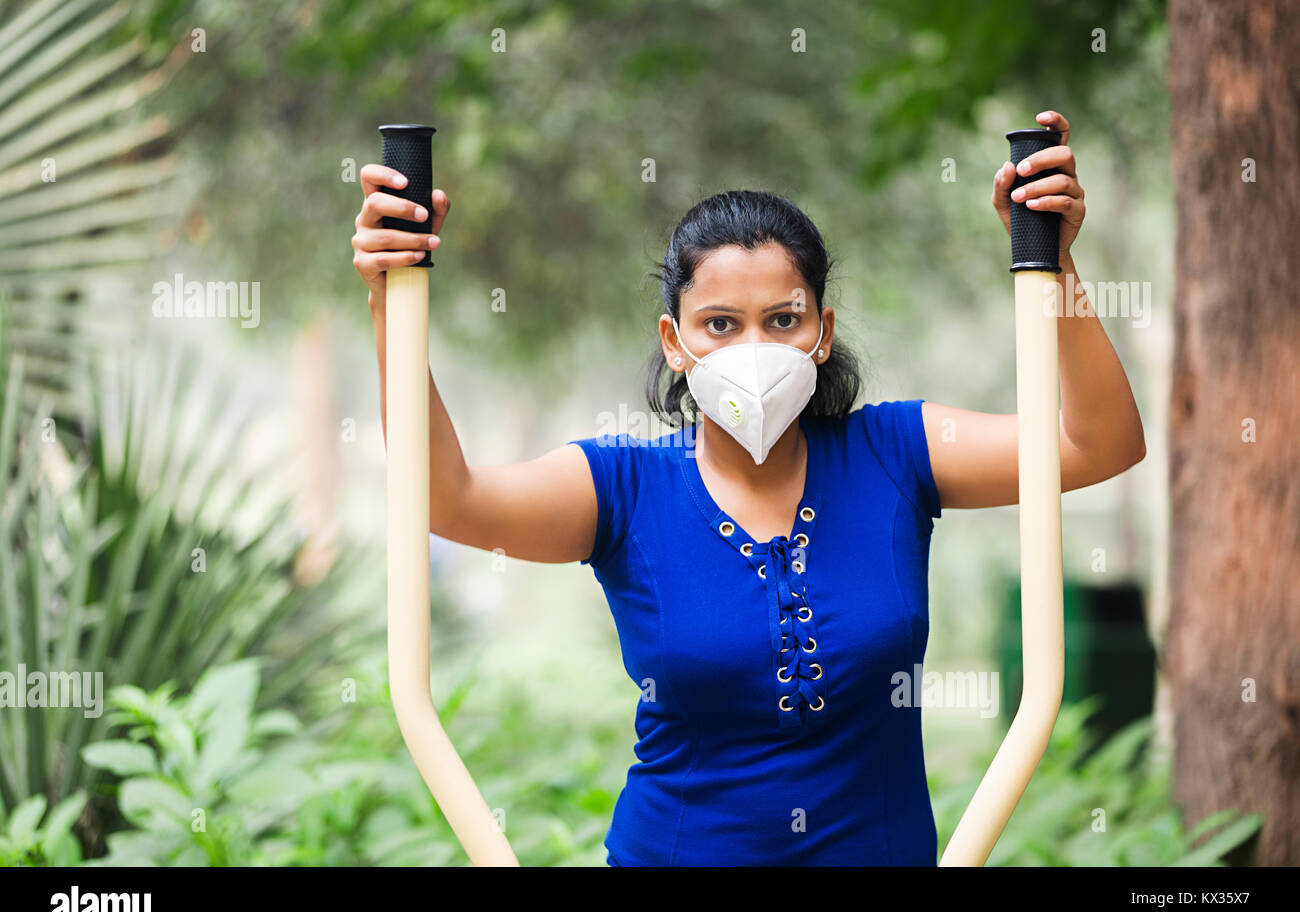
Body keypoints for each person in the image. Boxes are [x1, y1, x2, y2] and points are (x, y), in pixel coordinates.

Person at [351, 110, 1145, 866]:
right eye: (721, 324)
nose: (754, 348)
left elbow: (1095, 443)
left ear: (823, 332)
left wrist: (1056, 264)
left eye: (783, 319)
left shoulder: (898, 454)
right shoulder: (623, 490)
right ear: (676, 343)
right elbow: (447, 498)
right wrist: (393, 296)